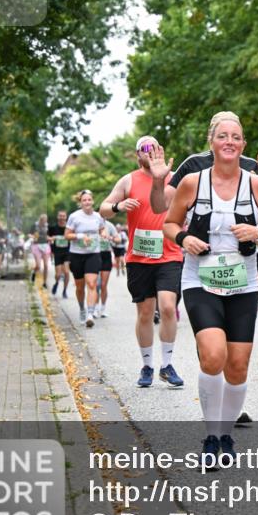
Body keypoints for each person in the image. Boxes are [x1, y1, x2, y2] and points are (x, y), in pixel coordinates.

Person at [145, 111, 258, 423]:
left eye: (235, 136)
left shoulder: (253, 171)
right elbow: (160, 208)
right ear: (211, 137)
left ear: (243, 140)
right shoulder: (193, 168)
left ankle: (227, 404)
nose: (228, 141)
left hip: (241, 275)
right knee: (213, 353)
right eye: (221, 134)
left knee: (235, 363)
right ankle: (214, 419)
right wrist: (158, 183)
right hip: (201, 273)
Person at [100, 136, 185, 388]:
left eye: (154, 147)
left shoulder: (174, 178)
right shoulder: (128, 180)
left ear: (161, 151)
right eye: (144, 149)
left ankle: (167, 365)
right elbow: (103, 208)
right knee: (145, 312)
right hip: (139, 257)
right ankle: (147, 366)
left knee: (168, 307)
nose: (149, 153)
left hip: (169, 254)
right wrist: (118, 205)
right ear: (137, 155)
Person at [65, 190, 107, 327]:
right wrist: (80, 236)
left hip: (93, 253)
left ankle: (90, 314)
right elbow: (67, 235)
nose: (87, 202)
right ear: (80, 203)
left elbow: (102, 229)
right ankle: (82, 308)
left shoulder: (98, 216)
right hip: (77, 254)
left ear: (93, 201)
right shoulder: (74, 217)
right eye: (84, 200)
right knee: (79, 286)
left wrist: (104, 232)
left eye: (89, 199)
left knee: (92, 283)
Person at [95, 219, 119, 318]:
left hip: (106, 255)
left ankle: (103, 308)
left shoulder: (110, 225)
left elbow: (118, 240)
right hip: (94, 255)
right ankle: (95, 308)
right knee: (96, 285)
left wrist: (110, 238)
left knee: (104, 285)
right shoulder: (93, 223)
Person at [48, 210, 71, 298]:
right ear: (58, 217)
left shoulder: (69, 228)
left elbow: (74, 236)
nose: (62, 218)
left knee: (66, 272)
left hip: (67, 252)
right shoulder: (53, 228)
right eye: (60, 216)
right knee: (58, 274)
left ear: (66, 217)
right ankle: (56, 283)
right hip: (57, 252)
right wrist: (51, 238)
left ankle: (64, 290)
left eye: (63, 216)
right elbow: (47, 237)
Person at [29, 214, 51, 289]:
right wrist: (33, 237)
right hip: (36, 245)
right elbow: (29, 234)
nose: (44, 222)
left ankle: (44, 283)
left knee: (46, 265)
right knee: (38, 265)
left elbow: (50, 235)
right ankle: (33, 273)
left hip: (45, 245)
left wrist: (50, 238)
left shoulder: (48, 226)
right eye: (43, 220)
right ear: (40, 220)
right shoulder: (34, 226)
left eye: (45, 220)